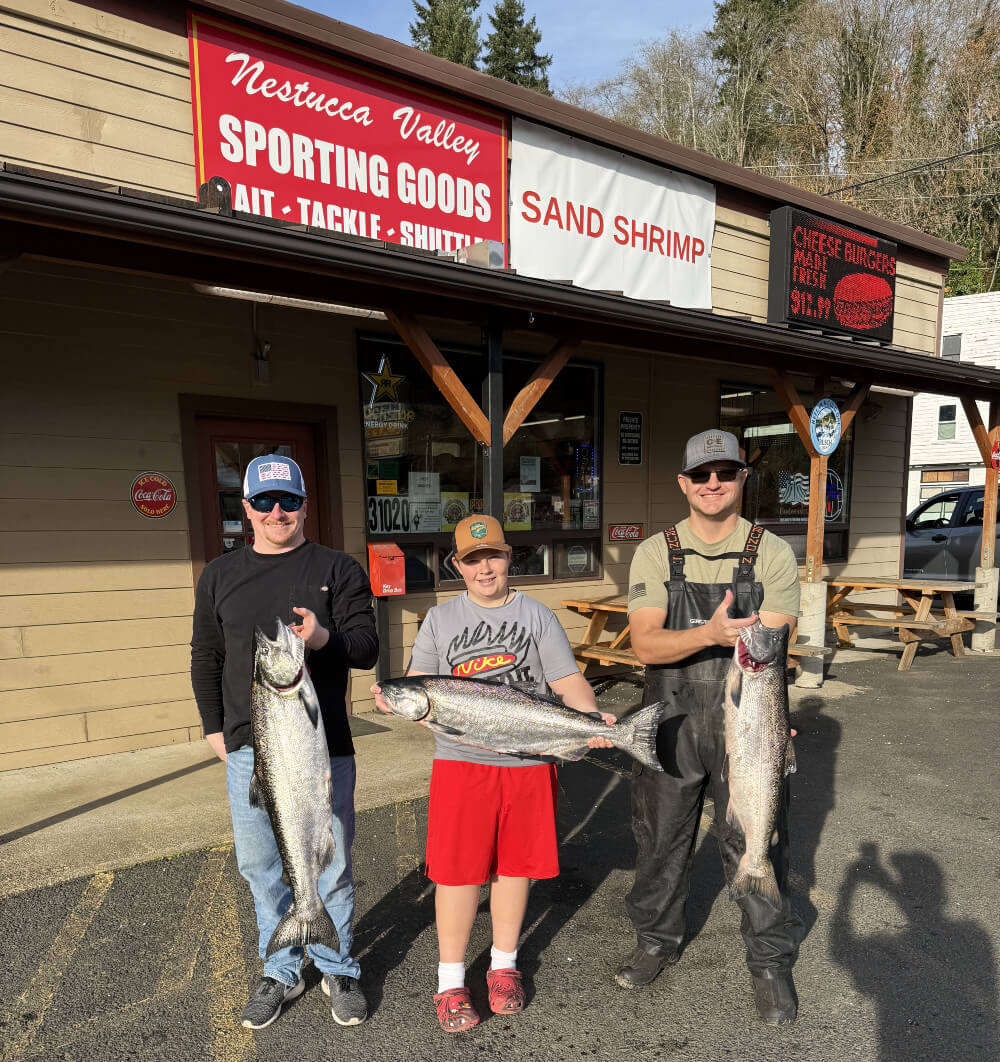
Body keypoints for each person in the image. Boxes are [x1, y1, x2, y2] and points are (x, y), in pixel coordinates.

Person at [371, 515, 614, 1033]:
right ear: (457, 565)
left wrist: (590, 718)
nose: (485, 568)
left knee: (514, 868)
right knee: (456, 872)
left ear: (508, 558)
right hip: (461, 765)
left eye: (494, 556)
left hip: (528, 761)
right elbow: (419, 682)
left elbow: (567, 679)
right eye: (473, 559)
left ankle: (504, 966)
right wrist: (394, 698)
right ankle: (450, 980)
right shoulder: (440, 620)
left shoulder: (537, 615)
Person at [618, 429, 804, 1025]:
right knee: (659, 837)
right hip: (672, 716)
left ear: (742, 478)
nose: (713, 483)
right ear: (684, 483)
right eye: (701, 474)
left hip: (747, 722)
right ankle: (656, 941)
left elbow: (771, 644)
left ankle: (769, 961)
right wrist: (710, 634)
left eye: (725, 472)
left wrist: (770, 720)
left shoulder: (772, 552)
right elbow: (646, 645)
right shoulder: (656, 552)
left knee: (758, 836)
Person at [191, 454, 378, 1031]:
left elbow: (366, 647)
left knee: (331, 861)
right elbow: (206, 655)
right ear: (246, 508)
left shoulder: (338, 568)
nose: (278, 512)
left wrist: (320, 637)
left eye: (289, 501)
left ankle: (336, 965)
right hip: (250, 749)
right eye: (265, 502)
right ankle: (281, 967)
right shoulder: (219, 575)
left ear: (304, 506)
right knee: (260, 865)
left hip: (323, 751)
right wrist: (214, 728)